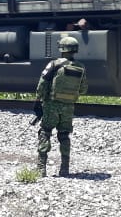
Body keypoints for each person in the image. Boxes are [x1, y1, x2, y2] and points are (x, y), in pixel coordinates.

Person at [33, 35, 89, 177]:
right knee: (64, 135)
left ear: (62, 49)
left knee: (45, 132)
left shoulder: (54, 64)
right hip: (69, 107)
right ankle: (64, 169)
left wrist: (38, 100)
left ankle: (41, 169)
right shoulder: (81, 67)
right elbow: (83, 89)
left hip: (51, 105)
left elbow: (42, 84)